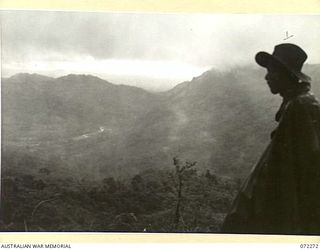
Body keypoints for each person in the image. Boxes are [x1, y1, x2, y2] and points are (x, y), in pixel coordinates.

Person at [221, 43, 320, 234]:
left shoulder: (301, 107)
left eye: (272, 71)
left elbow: (305, 172)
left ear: (287, 74)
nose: (267, 77)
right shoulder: (297, 104)